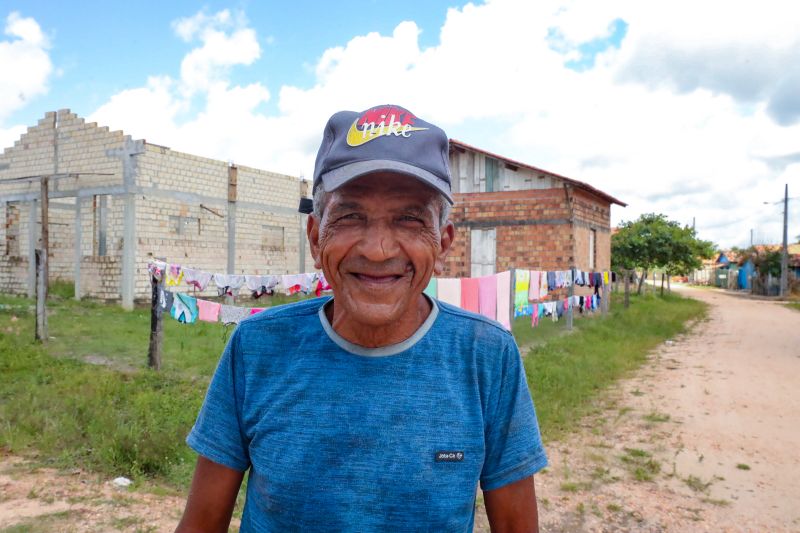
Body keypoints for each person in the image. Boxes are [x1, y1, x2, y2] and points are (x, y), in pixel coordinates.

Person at [175, 104, 548, 532]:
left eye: (409, 220)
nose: (378, 249)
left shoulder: (486, 356)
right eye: (351, 216)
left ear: (443, 244)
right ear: (316, 238)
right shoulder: (257, 347)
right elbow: (201, 523)